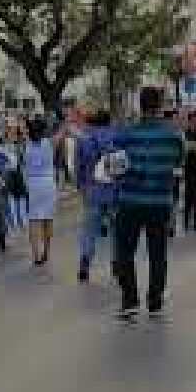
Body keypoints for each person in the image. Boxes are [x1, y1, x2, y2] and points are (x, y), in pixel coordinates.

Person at [111, 87, 185, 319]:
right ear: (160, 106)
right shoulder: (173, 136)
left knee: (124, 252)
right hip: (160, 202)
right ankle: (155, 303)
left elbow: (114, 169)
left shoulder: (125, 135)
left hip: (129, 201)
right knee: (157, 253)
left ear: (140, 106)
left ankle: (130, 300)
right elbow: (178, 165)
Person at [74, 109, 118, 283]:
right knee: (116, 230)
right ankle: (116, 263)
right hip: (113, 192)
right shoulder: (116, 138)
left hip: (92, 191)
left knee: (89, 230)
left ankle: (85, 261)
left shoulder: (84, 140)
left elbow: (78, 168)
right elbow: (121, 166)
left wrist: (81, 187)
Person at [20, 116, 69, 266]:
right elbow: (62, 132)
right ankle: (46, 251)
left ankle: (35, 255)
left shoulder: (25, 146)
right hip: (48, 183)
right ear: (43, 131)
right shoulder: (49, 143)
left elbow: (22, 166)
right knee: (48, 220)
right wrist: (65, 121)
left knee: (34, 220)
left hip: (33, 184)